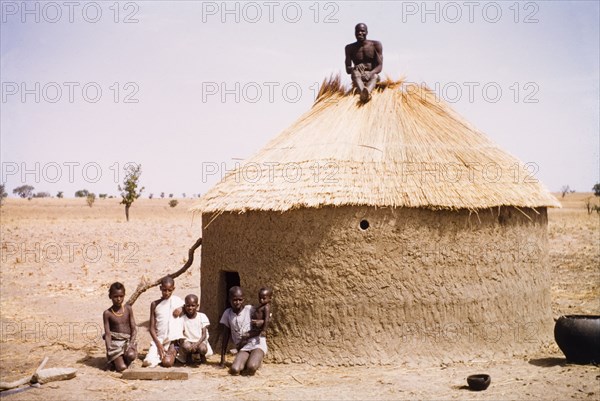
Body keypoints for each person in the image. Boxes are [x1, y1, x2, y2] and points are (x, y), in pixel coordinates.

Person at [219, 286, 266, 375]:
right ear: (229, 300)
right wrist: (222, 358)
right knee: (235, 369)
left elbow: (268, 317)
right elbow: (225, 335)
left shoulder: (250, 310)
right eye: (235, 300)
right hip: (243, 347)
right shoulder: (228, 313)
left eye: (240, 300)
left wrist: (262, 321)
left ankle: (255, 360)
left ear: (243, 299)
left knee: (251, 367)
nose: (238, 302)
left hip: (256, 344)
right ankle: (247, 360)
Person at [142, 276, 184, 368]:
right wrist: (158, 344)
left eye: (170, 290)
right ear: (160, 288)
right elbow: (152, 328)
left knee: (167, 363)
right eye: (164, 290)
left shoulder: (178, 302)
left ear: (173, 289)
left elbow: (190, 309)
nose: (167, 293)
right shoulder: (155, 304)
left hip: (173, 340)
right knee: (148, 361)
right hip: (159, 339)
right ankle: (164, 353)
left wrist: (182, 309)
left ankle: (173, 350)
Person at [103, 282, 138, 372]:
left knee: (131, 355)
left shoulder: (128, 309)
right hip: (115, 344)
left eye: (121, 296)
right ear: (110, 296)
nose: (119, 299)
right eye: (115, 296)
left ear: (124, 295)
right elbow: (107, 334)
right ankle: (115, 360)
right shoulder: (107, 313)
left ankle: (124, 358)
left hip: (127, 342)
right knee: (122, 368)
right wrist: (109, 351)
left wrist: (131, 344)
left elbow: (134, 329)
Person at [344, 23, 383, 102]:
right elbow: (348, 70)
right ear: (355, 33)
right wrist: (355, 67)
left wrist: (370, 73)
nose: (359, 33)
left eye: (362, 31)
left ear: (367, 32)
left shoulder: (375, 45)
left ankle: (367, 91)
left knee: (375, 76)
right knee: (355, 73)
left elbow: (380, 66)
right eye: (357, 31)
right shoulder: (349, 48)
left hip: (372, 75)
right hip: (358, 76)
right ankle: (363, 93)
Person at [176, 294, 213, 365]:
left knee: (202, 349)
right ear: (185, 306)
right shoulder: (182, 319)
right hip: (188, 342)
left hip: (200, 341)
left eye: (193, 305)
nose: (190, 308)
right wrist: (187, 344)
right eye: (188, 305)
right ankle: (188, 356)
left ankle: (202, 356)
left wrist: (196, 344)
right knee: (186, 346)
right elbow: (181, 334)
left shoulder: (202, 316)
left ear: (197, 306)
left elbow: (204, 334)